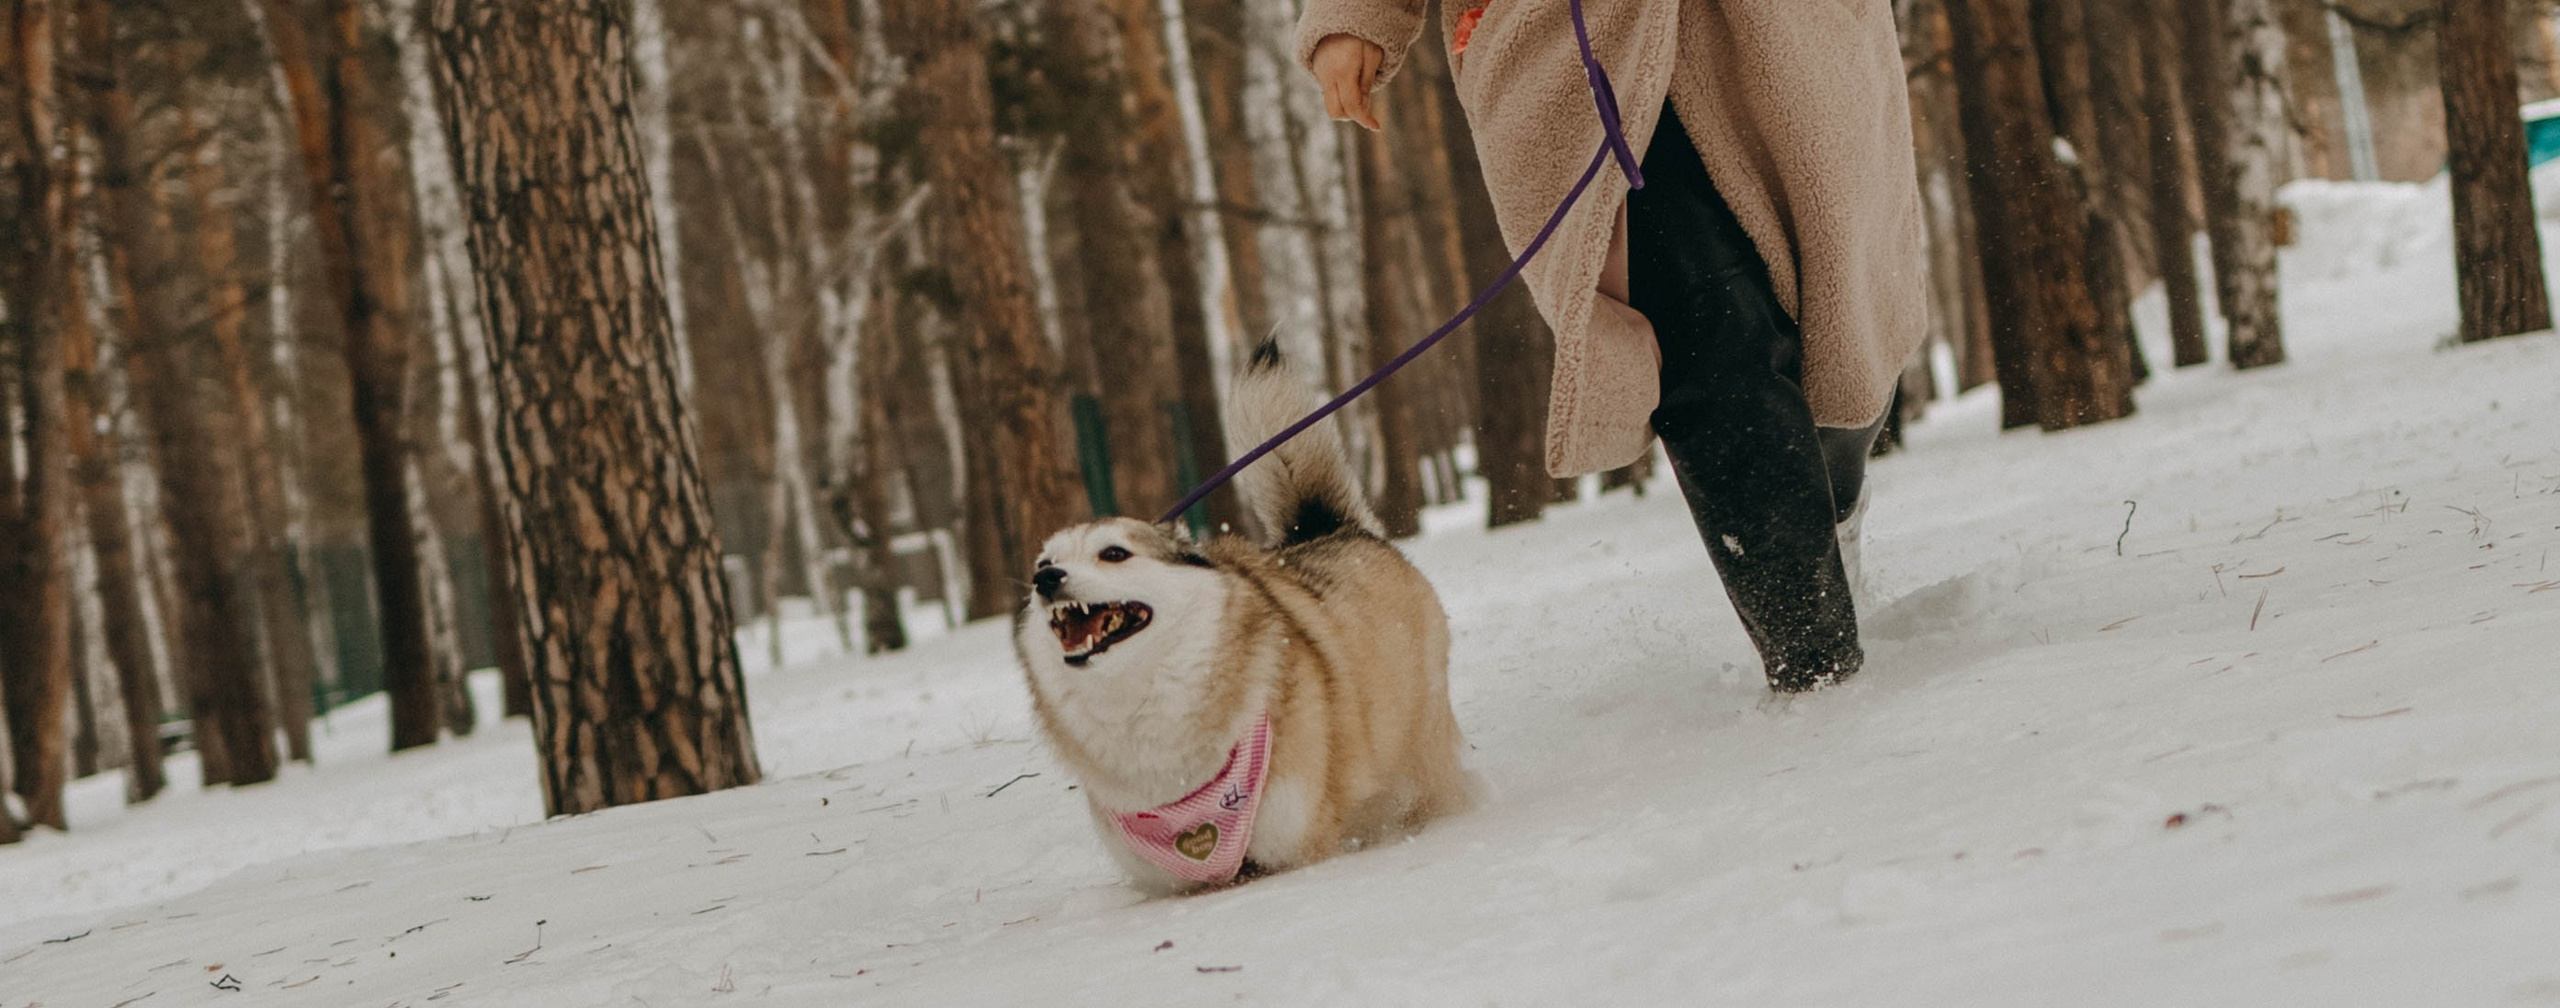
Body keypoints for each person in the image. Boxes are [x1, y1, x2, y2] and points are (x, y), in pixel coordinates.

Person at [1295, 2, 1928, 691]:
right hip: (1566, 46)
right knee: (1706, 333)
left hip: (1781, 32)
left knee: (1835, 330)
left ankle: (1829, 504)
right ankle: (1819, 673)